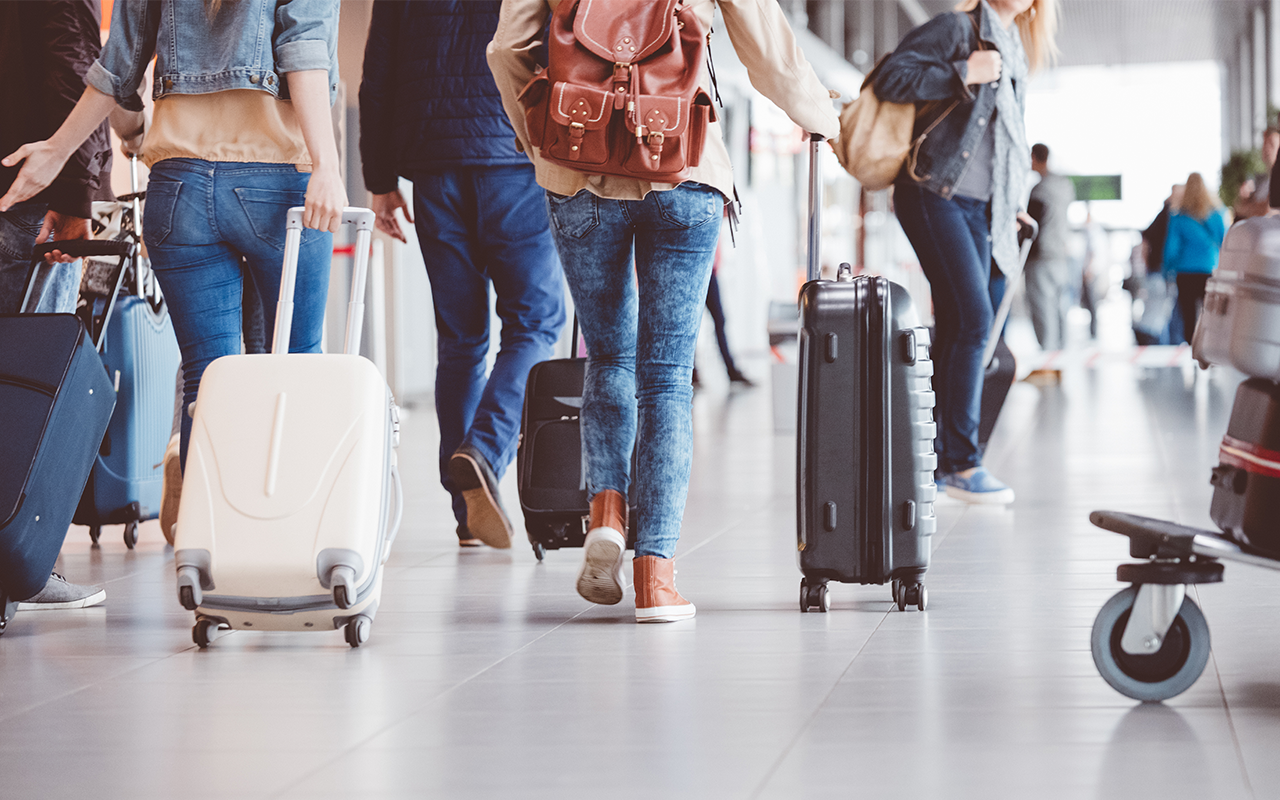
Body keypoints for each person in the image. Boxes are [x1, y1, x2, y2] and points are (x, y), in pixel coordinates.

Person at [489, 0, 838, 622]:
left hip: (579, 164)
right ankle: (656, 576)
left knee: (607, 357)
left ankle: (606, 511)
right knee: (668, 378)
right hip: (684, 162)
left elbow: (506, 50)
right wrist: (821, 116)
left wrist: (542, 141)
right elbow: (767, 48)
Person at [0, 0, 345, 475]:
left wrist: (58, 150)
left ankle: (207, 514)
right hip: (277, 182)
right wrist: (326, 164)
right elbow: (304, 45)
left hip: (179, 188)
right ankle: (288, 508)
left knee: (208, 380)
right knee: (296, 365)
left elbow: (118, 66)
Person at [359, 0, 566, 550]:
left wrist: (379, 180)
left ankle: (466, 513)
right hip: (514, 159)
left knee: (460, 339)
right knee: (536, 323)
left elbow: (378, 74)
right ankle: (485, 452)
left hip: (434, 167)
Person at [874, 0, 1058, 505]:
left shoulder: (1015, 51)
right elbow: (890, 78)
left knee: (961, 326)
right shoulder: (959, 29)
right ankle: (961, 462)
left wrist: (1009, 203)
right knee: (975, 320)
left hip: (983, 208)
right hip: (934, 191)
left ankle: (932, 463)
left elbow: (1001, 142)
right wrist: (963, 72)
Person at [0, 0, 115, 609]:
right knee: (23, 392)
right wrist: (77, 194)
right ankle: (21, 564)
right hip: (24, 196)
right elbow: (75, 67)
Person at [1024, 143, 1075, 350]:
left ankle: (1047, 357)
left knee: (1042, 309)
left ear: (1034, 158)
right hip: (1060, 256)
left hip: (1041, 257)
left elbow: (1032, 227)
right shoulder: (1065, 186)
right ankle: (1060, 354)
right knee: (1059, 308)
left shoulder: (1040, 190)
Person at [1164, 172, 1226, 337]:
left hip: (1185, 271)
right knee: (1209, 313)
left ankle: (1191, 346)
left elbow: (1171, 248)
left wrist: (1168, 269)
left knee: (1188, 316)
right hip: (1209, 269)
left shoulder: (1178, 217)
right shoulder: (1216, 214)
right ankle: (1208, 343)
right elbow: (1225, 242)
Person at [1234, 126, 1280, 221]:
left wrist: (1252, 207)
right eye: (1265, 144)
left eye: (1271, 144)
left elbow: (1269, 213)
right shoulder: (1262, 184)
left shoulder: (1275, 185)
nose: (1266, 148)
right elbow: (1240, 210)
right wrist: (1245, 200)